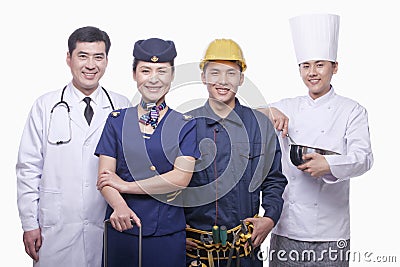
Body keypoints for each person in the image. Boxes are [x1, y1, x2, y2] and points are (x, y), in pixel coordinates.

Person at [260, 13, 374, 266]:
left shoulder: (352, 110)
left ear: (335, 67)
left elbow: (364, 158)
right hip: (287, 225)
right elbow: (243, 114)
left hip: (332, 231)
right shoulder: (286, 105)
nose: (312, 72)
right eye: (305, 66)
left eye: (320, 64)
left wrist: (329, 165)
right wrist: (267, 111)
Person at [16, 26, 132, 267]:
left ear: (107, 61)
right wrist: (29, 224)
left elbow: (131, 166)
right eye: (83, 56)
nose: (91, 65)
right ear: (69, 59)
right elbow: (28, 169)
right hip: (56, 227)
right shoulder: (45, 106)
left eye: (98, 57)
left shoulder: (121, 106)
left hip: (106, 226)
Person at [95, 37, 199, 267]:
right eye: (145, 70)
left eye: (162, 71)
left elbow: (180, 178)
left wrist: (126, 186)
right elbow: (104, 178)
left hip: (166, 235)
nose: (154, 79)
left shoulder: (185, 124)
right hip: (122, 228)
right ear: (134, 74)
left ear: (172, 76)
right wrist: (120, 206)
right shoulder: (116, 121)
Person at [183, 39, 288, 267]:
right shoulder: (184, 125)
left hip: (245, 253)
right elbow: (169, 186)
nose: (223, 81)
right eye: (215, 73)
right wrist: (173, 229)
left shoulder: (260, 126)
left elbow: (274, 180)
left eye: (231, 73)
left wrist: (270, 218)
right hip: (193, 255)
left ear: (241, 79)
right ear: (203, 77)